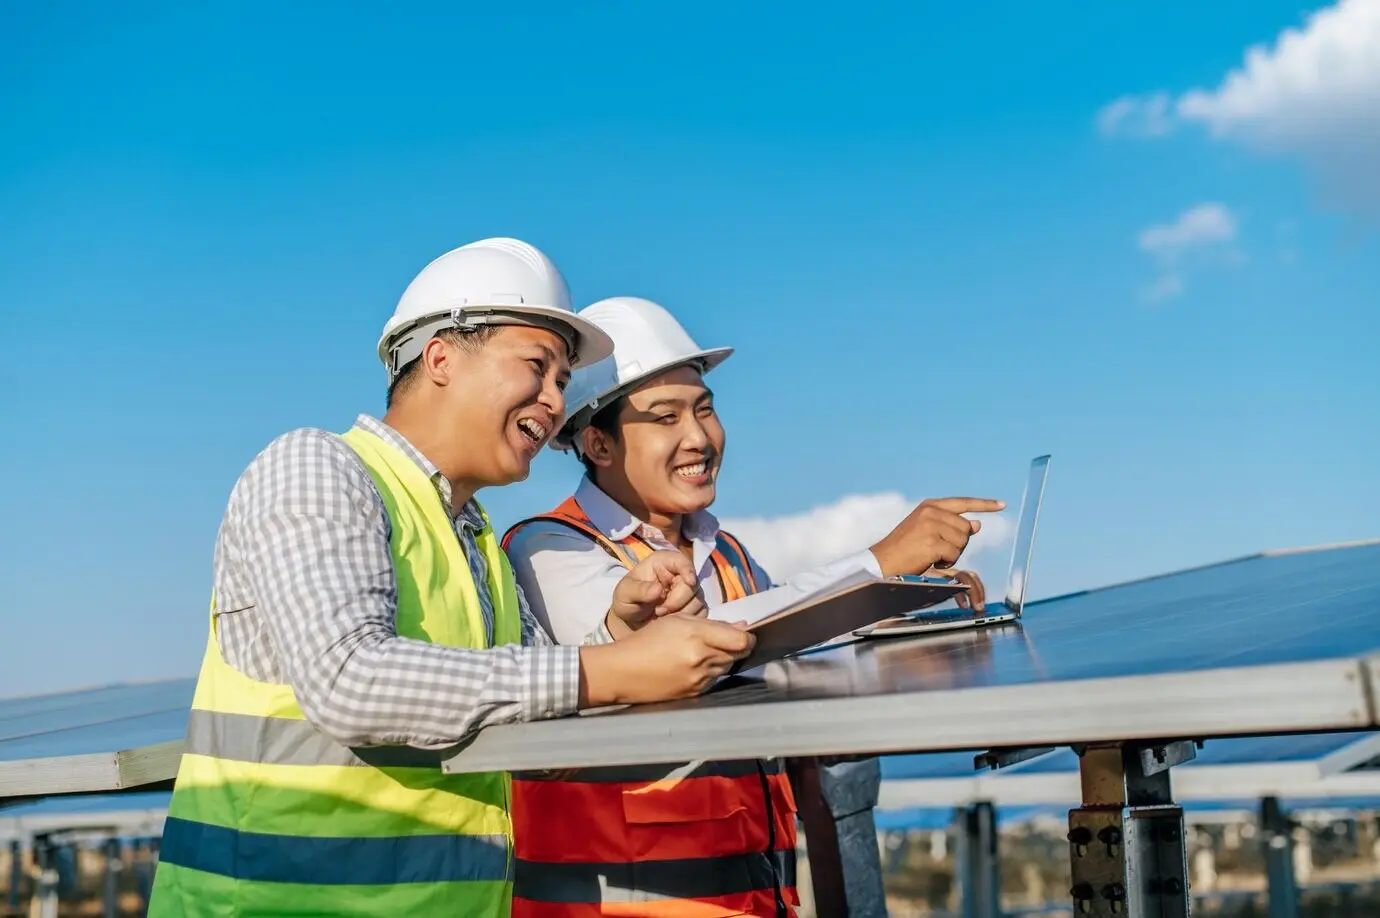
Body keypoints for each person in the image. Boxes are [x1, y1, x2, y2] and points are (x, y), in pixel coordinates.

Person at [146, 242, 756, 918]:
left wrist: (617, 629)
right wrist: (610, 669)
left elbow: (530, 715)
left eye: (561, 380)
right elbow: (351, 680)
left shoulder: (478, 543)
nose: (555, 401)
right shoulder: (318, 470)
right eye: (538, 367)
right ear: (440, 357)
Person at [502, 296, 1002, 918]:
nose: (699, 436)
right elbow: (710, 643)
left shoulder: (728, 554)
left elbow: (789, 644)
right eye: (665, 417)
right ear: (598, 445)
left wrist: (898, 607)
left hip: (755, 896)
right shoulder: (547, 548)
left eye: (704, 409)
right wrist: (877, 563)